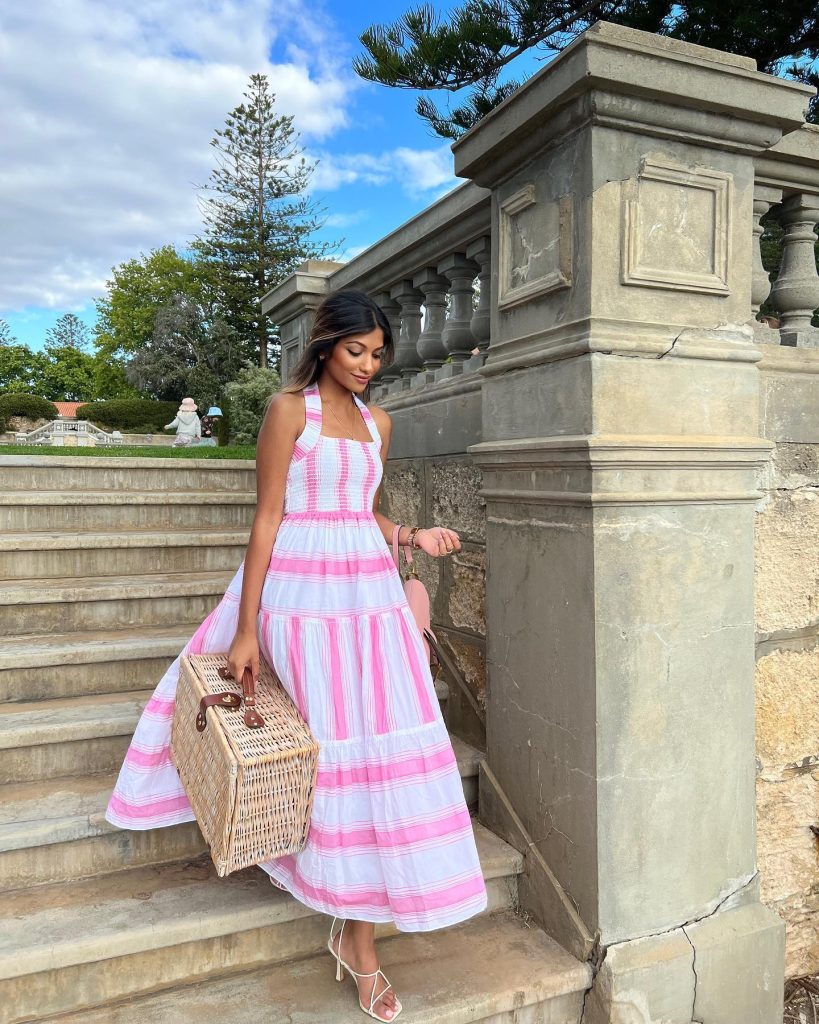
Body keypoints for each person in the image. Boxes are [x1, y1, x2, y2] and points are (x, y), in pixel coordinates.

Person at [104, 289, 487, 1022]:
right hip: (301, 599)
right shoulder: (288, 412)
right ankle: (349, 925)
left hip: (368, 598)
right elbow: (269, 517)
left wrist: (410, 535)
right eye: (355, 350)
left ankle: (358, 936)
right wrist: (246, 629)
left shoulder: (378, 423)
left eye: (378, 354)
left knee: (376, 753)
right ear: (325, 345)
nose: (368, 365)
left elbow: (359, 511)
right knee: (329, 751)